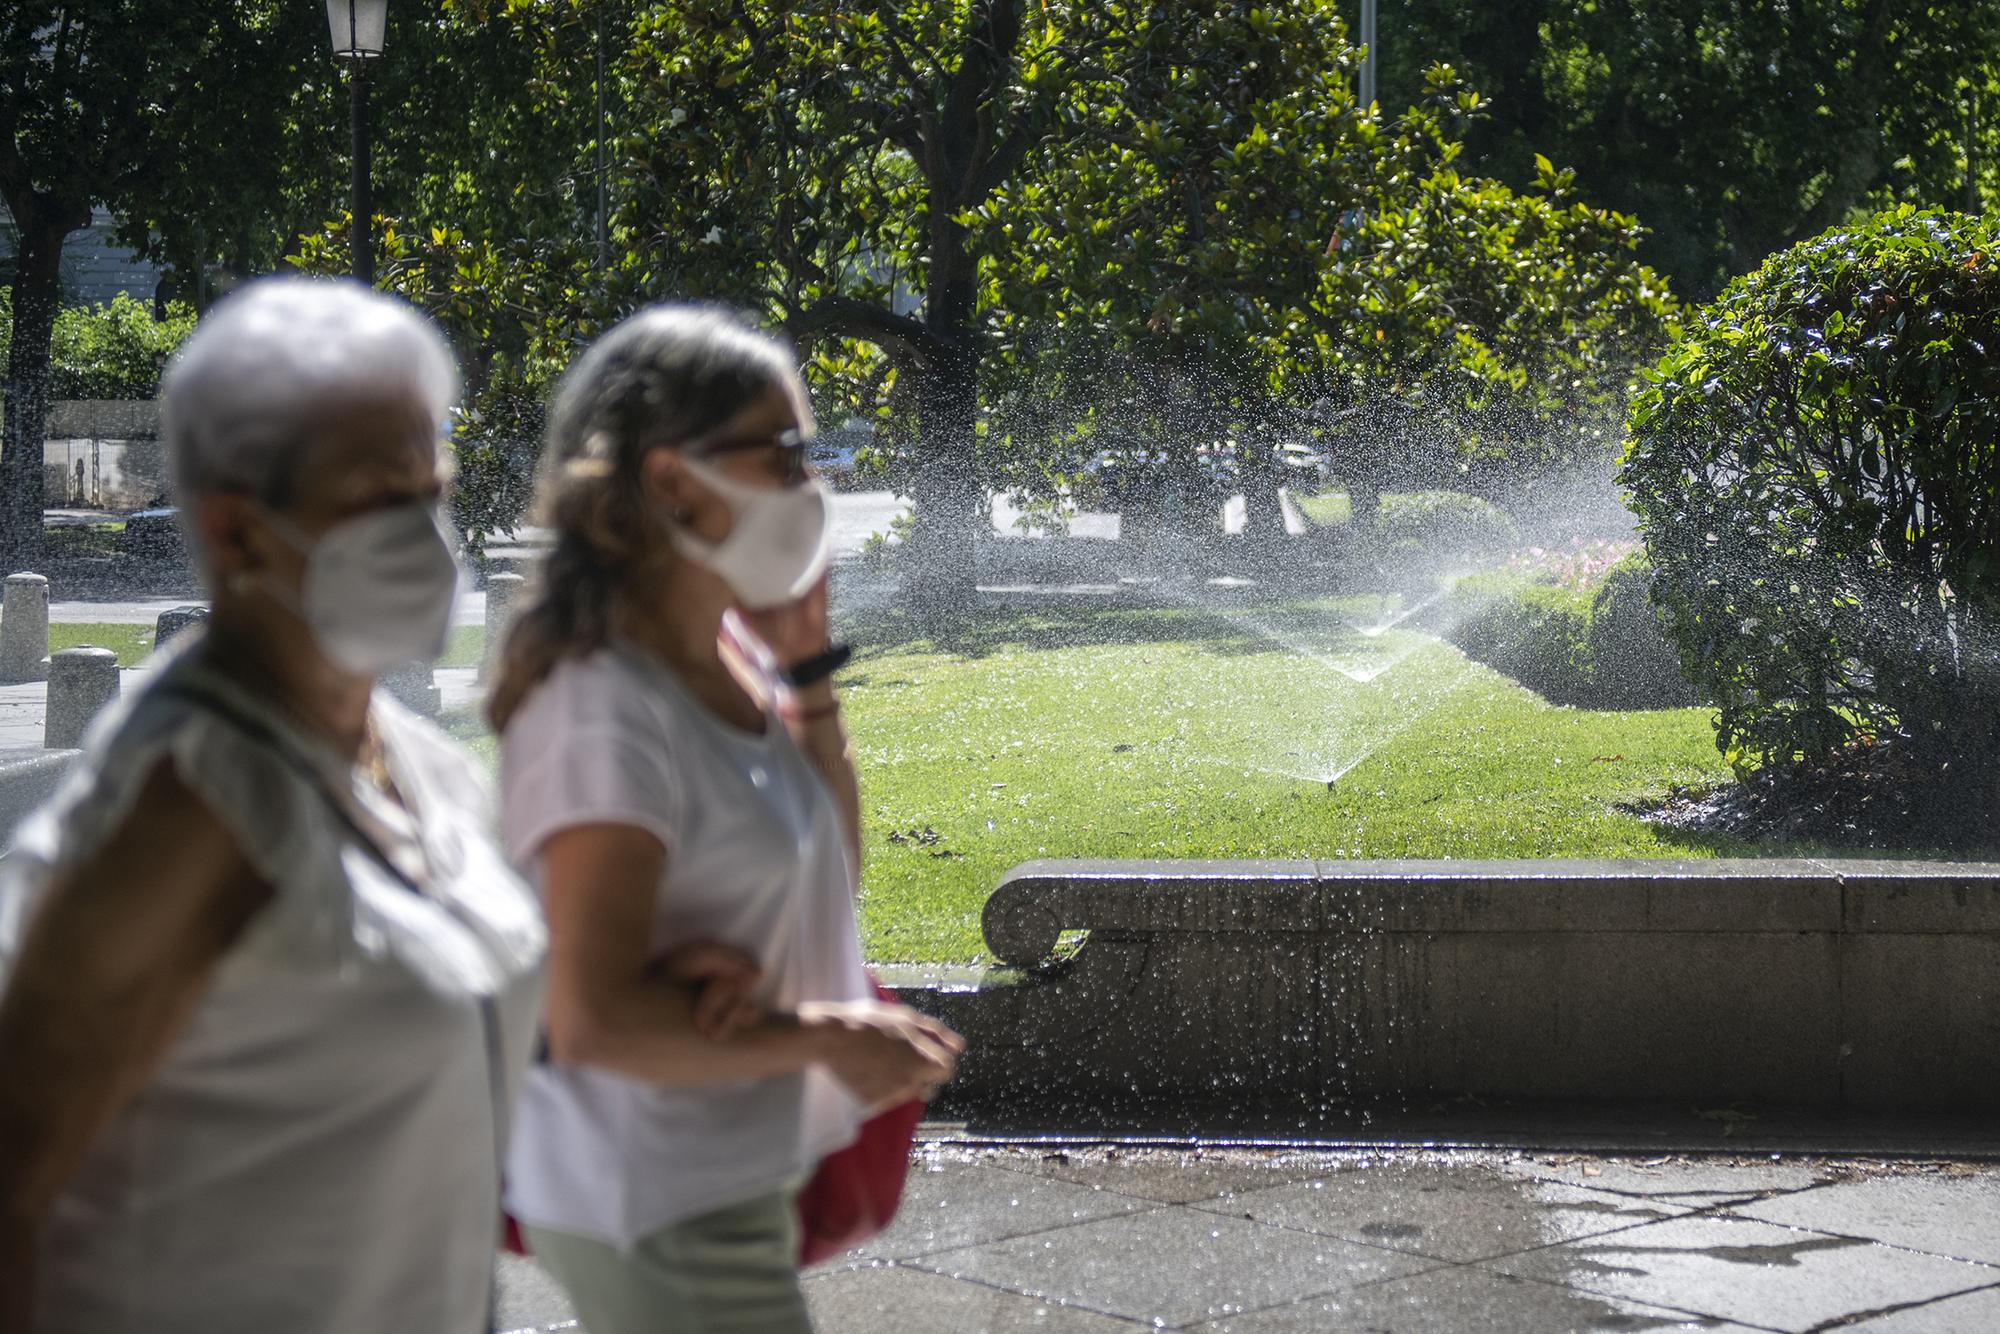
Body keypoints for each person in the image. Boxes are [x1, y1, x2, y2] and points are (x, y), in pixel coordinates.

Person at [0, 278, 546, 1334]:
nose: (427, 533)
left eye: (431, 485)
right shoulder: (185, 798)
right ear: (238, 531)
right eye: (377, 496)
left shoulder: (422, 763)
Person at [488, 304, 961, 1334]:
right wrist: (830, 1036)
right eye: (785, 455)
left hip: (718, 1172)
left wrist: (807, 671)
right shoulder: (604, 709)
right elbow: (593, 1019)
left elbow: (830, 868)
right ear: (669, 480)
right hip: (649, 1195)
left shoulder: (728, 660)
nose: (813, 489)